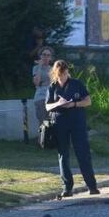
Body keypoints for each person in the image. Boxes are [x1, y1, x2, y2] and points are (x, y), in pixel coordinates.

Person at [45, 60, 99, 198]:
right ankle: (67, 187)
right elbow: (47, 106)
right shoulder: (52, 87)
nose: (62, 76)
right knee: (63, 155)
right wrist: (58, 103)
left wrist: (73, 104)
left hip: (77, 122)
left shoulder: (76, 84)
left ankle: (92, 186)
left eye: (64, 73)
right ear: (55, 74)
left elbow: (88, 101)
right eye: (59, 74)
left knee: (83, 153)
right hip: (59, 123)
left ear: (67, 71)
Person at [32, 47, 54, 125]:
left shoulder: (53, 69)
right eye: (44, 55)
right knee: (43, 123)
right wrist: (40, 67)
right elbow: (37, 83)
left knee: (51, 122)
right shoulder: (36, 68)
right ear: (40, 56)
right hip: (40, 97)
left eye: (48, 55)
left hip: (51, 97)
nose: (46, 57)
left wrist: (44, 83)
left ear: (50, 58)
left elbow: (53, 83)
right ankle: (43, 136)